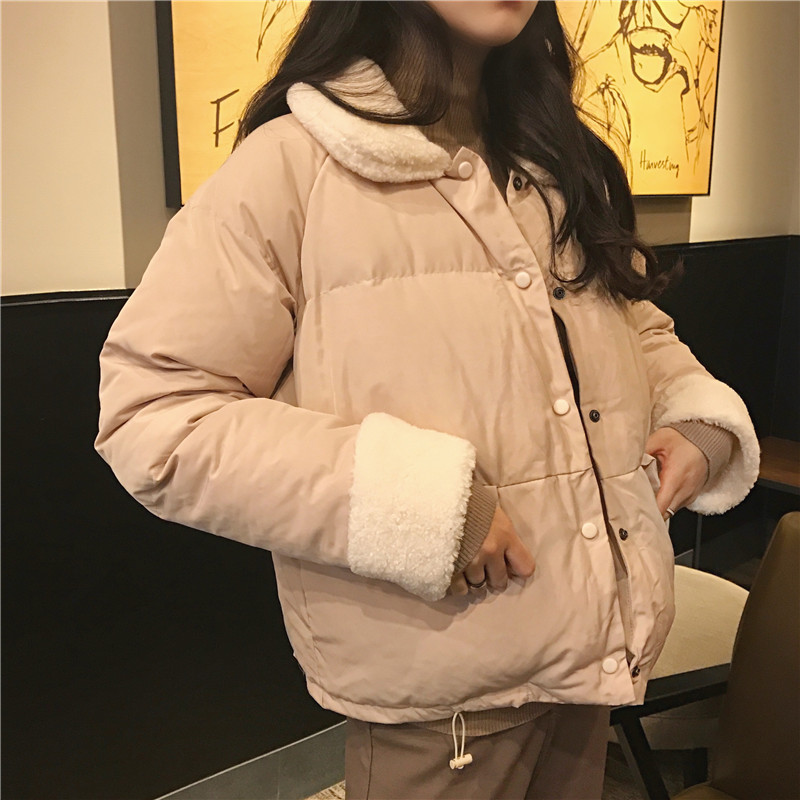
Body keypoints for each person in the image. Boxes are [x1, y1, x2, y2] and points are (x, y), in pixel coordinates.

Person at [96, 2, 759, 797]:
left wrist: (696, 419)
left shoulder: (557, 162)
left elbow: (630, 322)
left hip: (590, 666)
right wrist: (421, 505)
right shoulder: (292, 169)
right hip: (445, 705)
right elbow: (154, 414)